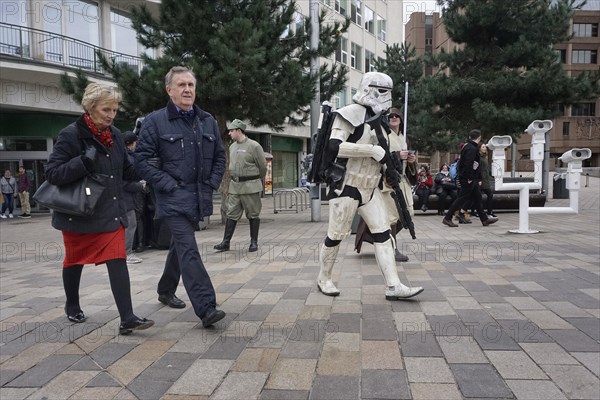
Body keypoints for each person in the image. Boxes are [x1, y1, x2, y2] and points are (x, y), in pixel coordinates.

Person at [45, 83, 154, 335]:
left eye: (115, 109)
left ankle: (127, 318)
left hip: (110, 210)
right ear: (90, 107)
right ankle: (72, 304)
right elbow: (52, 173)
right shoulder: (71, 135)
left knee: (118, 258)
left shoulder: (115, 134)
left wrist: (144, 166)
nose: (111, 115)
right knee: (74, 260)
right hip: (79, 213)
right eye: (106, 109)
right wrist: (83, 161)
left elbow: (126, 171)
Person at [134, 66, 227, 328]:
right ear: (169, 90)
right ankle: (206, 307)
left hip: (198, 197)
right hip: (172, 198)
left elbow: (219, 157)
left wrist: (211, 183)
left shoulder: (206, 120)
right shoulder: (155, 121)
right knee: (189, 249)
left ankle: (165, 289)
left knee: (179, 246)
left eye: (191, 85)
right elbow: (141, 161)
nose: (187, 89)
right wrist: (168, 185)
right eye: (181, 85)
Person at [317, 72, 423, 300]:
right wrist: (372, 151)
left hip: (370, 187)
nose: (387, 97)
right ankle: (324, 278)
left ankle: (393, 285)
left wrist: (390, 168)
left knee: (384, 233)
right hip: (345, 184)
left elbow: (384, 154)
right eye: (383, 91)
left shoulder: (381, 121)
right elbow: (334, 146)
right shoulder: (349, 114)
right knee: (336, 235)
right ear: (369, 89)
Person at [354, 108, 416, 262]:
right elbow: (379, 156)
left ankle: (382, 240)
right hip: (387, 182)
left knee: (408, 213)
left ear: (401, 119)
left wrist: (411, 161)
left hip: (402, 181)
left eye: (396, 116)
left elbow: (408, 164)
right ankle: (391, 249)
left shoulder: (404, 138)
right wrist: (396, 155)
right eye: (390, 116)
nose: (393, 118)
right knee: (392, 217)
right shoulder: (383, 135)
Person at [214, 119, 267, 253]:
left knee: (253, 214)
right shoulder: (232, 146)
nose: (230, 133)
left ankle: (253, 243)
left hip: (250, 186)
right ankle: (226, 242)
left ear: (239, 131)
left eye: (232, 131)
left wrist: (254, 179)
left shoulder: (254, 146)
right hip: (235, 186)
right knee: (231, 214)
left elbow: (262, 167)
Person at [442, 129, 499, 227]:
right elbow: (469, 164)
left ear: (470, 137)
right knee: (462, 198)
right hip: (469, 178)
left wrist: (476, 178)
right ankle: (447, 217)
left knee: (478, 198)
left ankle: (484, 219)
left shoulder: (468, 147)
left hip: (471, 178)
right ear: (479, 137)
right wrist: (470, 177)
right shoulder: (471, 148)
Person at [122, 131, 144, 264]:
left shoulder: (128, 156)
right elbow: (124, 183)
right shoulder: (127, 159)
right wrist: (139, 185)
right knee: (130, 224)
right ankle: (127, 252)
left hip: (127, 198)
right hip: (126, 198)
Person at [475, 142, 495, 218]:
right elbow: (478, 169)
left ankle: (489, 211)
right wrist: (479, 179)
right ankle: (479, 212)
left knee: (488, 195)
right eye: (483, 147)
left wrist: (490, 175)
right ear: (479, 148)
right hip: (481, 180)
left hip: (486, 179)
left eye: (485, 147)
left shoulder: (484, 157)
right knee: (478, 196)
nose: (485, 148)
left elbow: (487, 168)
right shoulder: (478, 157)